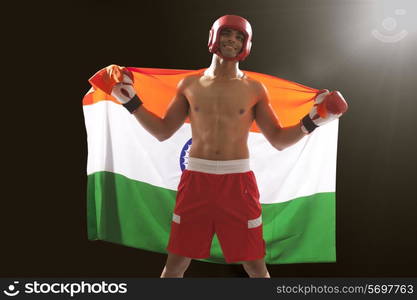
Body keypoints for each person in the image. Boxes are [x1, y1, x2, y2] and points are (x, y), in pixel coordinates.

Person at [108, 15, 348, 278]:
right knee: (176, 262)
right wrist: (131, 102)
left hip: (238, 185)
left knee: (255, 265)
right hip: (196, 182)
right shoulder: (189, 84)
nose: (232, 41)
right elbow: (162, 131)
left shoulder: (255, 88)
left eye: (239, 37)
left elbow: (279, 140)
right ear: (214, 37)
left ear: (247, 44)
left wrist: (313, 121)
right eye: (228, 34)